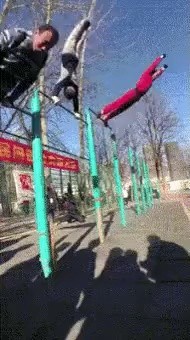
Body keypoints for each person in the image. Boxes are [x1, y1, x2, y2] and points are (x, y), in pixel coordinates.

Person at [98, 54, 168, 125]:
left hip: (137, 97)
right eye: (155, 73)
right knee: (119, 103)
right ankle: (103, 111)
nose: (156, 75)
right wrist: (161, 57)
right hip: (134, 92)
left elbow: (158, 74)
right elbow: (153, 65)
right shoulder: (147, 73)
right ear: (152, 72)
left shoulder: (152, 80)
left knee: (122, 109)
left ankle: (106, 117)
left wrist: (163, 69)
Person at [0, 25, 59, 106]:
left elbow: (28, 81)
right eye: (45, 42)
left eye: (49, 47)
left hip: (4, 87)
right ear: (36, 33)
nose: (45, 48)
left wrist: (12, 98)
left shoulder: (41, 58)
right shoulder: (16, 35)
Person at [51, 18, 91, 117]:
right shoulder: (73, 85)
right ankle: (84, 27)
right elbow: (75, 99)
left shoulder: (64, 80)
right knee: (78, 40)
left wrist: (54, 95)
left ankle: (83, 26)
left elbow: (59, 86)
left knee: (74, 38)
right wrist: (76, 111)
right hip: (73, 58)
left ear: (66, 89)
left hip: (69, 56)